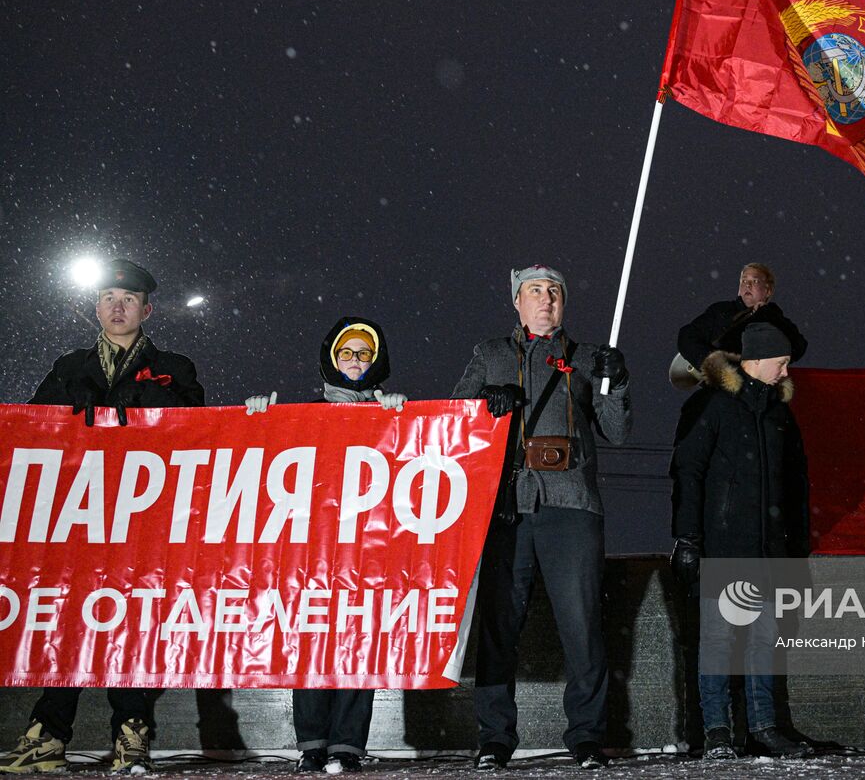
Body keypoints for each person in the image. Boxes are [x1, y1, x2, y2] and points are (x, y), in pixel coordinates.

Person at [0, 259, 203, 775]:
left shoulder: (175, 367)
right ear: (96, 307)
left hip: (143, 521)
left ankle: (131, 731)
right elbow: (33, 430)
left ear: (146, 310)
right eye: (109, 297)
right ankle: (48, 732)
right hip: (78, 518)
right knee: (70, 617)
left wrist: (145, 404)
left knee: (132, 621)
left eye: (129, 299)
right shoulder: (70, 366)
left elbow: (199, 432)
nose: (118, 306)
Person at [450, 266, 631, 771]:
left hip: (571, 505)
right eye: (535, 291)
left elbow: (616, 430)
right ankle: (494, 739)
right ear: (516, 301)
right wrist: (486, 404)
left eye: (554, 292)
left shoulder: (591, 357)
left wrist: (615, 381)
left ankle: (588, 736)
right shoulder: (489, 354)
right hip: (506, 507)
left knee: (583, 627)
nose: (546, 299)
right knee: (499, 628)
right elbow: (453, 424)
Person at [244, 317, 407, 773]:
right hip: (312, 547)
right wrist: (258, 417)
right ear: (332, 359)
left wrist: (403, 415)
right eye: (347, 354)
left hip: (368, 547)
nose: (355, 362)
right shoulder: (304, 412)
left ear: (378, 362)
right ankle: (312, 744)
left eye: (364, 354)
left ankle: (348, 746)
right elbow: (261, 457)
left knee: (361, 638)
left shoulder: (391, 413)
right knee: (312, 639)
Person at [670, 322, 812, 760]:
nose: (787, 370)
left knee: (764, 638)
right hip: (725, 545)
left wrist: (797, 547)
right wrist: (689, 538)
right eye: (781, 361)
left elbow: (796, 484)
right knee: (718, 639)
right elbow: (687, 473)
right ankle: (716, 731)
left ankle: (764, 728)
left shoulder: (779, 413)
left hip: (770, 549)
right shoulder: (712, 405)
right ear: (756, 359)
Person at [673, 263, 807, 388]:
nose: (747, 285)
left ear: (768, 291)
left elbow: (798, 347)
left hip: (752, 390)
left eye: (755, 281)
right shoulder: (721, 311)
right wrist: (714, 365)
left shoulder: (776, 320)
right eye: (744, 281)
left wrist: (768, 314)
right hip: (716, 391)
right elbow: (687, 337)